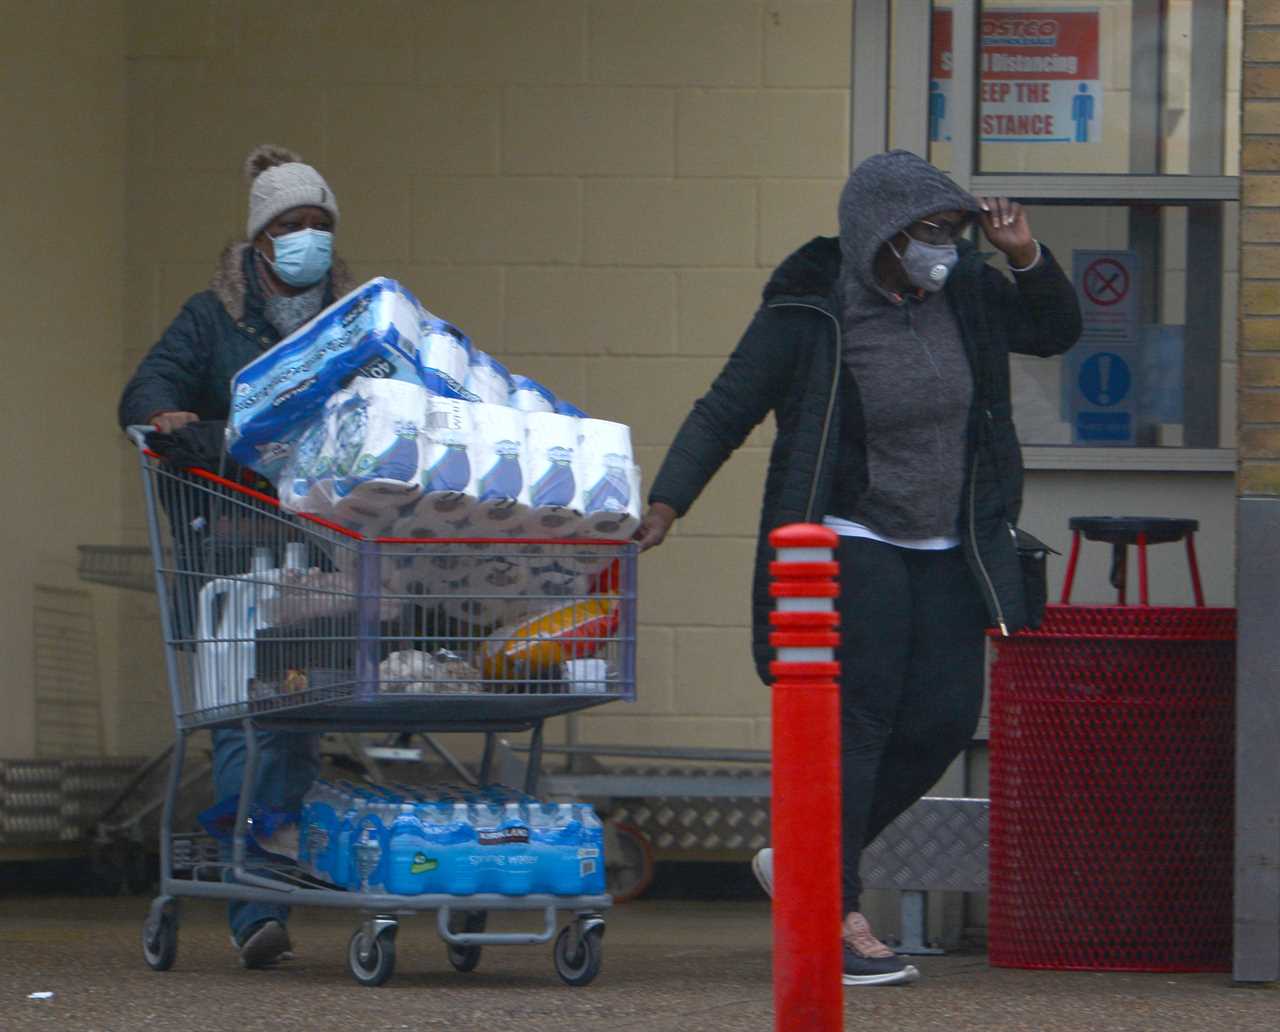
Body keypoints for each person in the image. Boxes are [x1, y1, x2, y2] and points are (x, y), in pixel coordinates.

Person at [635, 150, 1082, 986]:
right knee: (865, 723)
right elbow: (723, 409)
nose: (944, 248)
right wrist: (667, 504)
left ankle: (801, 862)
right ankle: (832, 912)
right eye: (928, 233)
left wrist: (1021, 253)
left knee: (945, 720)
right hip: (850, 535)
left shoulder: (970, 296)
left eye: (953, 231)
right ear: (879, 234)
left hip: (950, 543)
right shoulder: (810, 310)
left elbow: (1055, 331)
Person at [119, 144, 353, 969]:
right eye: (291, 225)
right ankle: (256, 900)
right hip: (226, 553)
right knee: (242, 726)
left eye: (319, 224)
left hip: (315, 555)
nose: (307, 240)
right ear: (259, 242)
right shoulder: (210, 320)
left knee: (294, 723)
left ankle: (273, 874)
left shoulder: (351, 322)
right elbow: (144, 395)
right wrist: (186, 430)